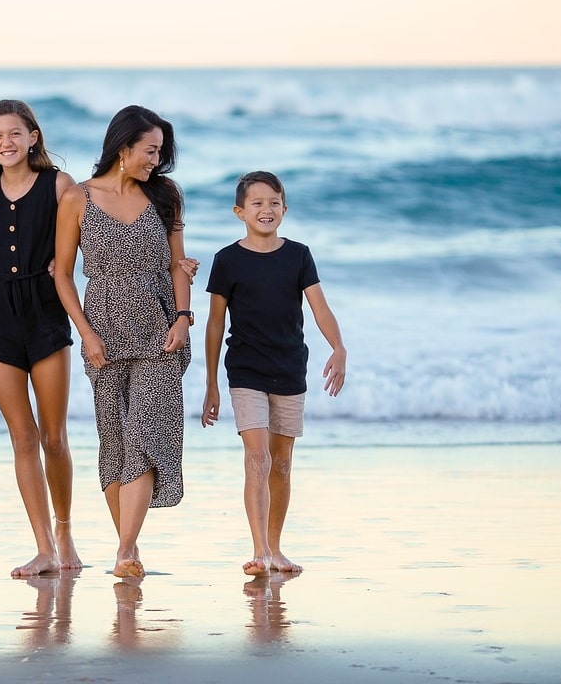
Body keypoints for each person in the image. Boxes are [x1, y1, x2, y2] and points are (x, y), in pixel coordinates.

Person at [53, 104, 193, 580]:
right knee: (113, 443)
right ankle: (126, 552)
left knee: (143, 434)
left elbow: (178, 264)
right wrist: (85, 333)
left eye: (160, 152)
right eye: (149, 151)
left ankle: (126, 549)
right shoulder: (77, 198)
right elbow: (63, 275)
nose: (156, 160)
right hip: (104, 331)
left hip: (159, 328)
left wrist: (183, 317)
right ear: (122, 147)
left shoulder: (166, 195)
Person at [200, 170, 347, 577]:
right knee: (258, 457)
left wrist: (339, 347)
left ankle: (277, 548)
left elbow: (319, 307)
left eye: (274, 203)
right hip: (245, 370)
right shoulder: (227, 260)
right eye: (257, 203)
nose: (266, 210)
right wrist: (211, 382)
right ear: (239, 211)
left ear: (285, 208)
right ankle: (259, 550)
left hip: (289, 369)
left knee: (282, 464)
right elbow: (215, 324)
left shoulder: (299, 255)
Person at [0, 99, 82, 577]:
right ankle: (42, 547)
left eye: (15, 133)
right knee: (22, 435)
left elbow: (89, 237)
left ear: (33, 136)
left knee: (53, 437)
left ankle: (64, 530)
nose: (6, 143)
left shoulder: (60, 185)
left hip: (45, 310)